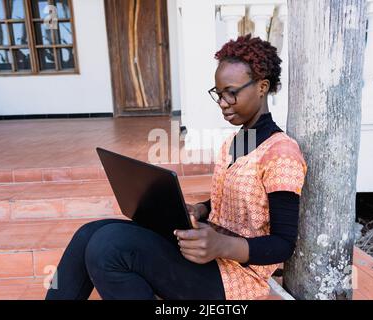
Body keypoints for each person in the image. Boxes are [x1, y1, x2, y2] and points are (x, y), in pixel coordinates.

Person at [45, 34, 307, 300]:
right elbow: (238, 202)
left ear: (262, 87)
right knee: (90, 233)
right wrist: (201, 209)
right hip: (208, 251)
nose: (223, 103)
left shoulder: (281, 152)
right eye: (218, 93)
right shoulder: (236, 141)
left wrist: (223, 246)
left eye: (231, 92)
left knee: (109, 246)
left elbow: (283, 244)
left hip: (236, 278)